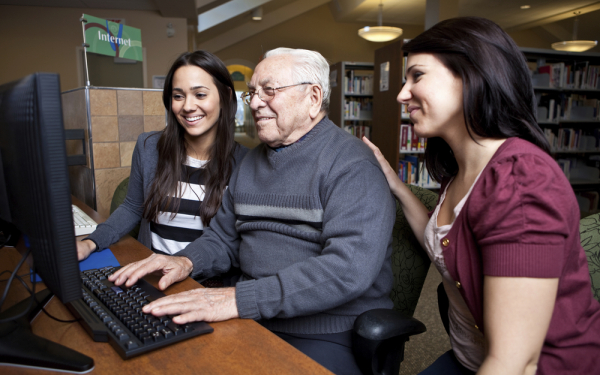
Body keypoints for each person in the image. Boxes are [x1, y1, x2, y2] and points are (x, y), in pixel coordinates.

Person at [108, 47, 396, 374]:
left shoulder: (351, 165)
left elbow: (347, 269)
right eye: (253, 93)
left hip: (326, 331)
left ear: (313, 97)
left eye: (269, 91)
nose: (256, 103)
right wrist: (186, 260)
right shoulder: (252, 163)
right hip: (253, 314)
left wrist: (238, 300)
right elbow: (222, 239)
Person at [363, 16, 600, 375]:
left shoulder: (520, 180)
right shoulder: (462, 170)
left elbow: (515, 362)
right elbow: (445, 243)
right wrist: (396, 184)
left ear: (471, 75)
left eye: (417, 76)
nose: (401, 94)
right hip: (468, 358)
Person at [77, 50, 248, 275]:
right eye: (178, 96)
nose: (187, 106)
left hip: (206, 286)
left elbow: (235, 243)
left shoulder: (245, 163)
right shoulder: (148, 147)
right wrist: (91, 243)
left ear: (225, 96)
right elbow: (131, 208)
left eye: (200, 94)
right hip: (152, 276)